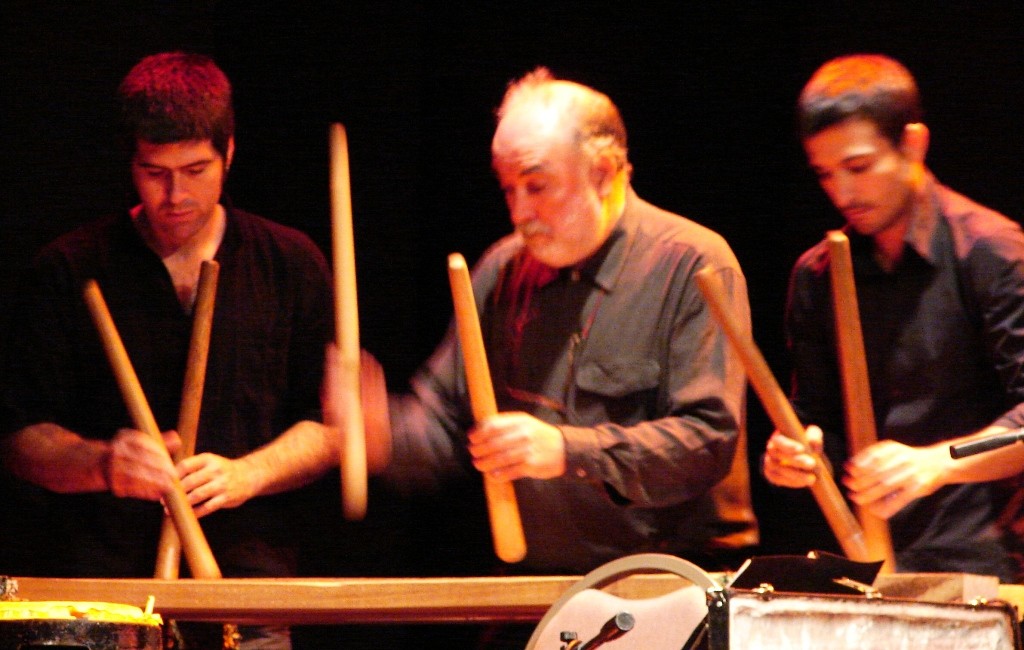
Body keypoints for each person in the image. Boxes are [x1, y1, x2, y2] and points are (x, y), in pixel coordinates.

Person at [356, 67, 758, 581]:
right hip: (541, 589)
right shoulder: (501, 270)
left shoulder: (692, 264)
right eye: (508, 190)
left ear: (604, 171)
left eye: (538, 186)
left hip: (674, 584)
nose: (521, 212)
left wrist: (567, 450)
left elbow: (707, 440)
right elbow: (442, 423)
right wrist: (381, 434)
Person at [0, 52, 336, 649]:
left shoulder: (291, 264)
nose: (175, 195)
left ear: (230, 153)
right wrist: (102, 463)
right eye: (154, 172)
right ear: (130, 162)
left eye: (197, 169)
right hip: (99, 598)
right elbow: (19, 441)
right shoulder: (68, 269)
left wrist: (249, 473)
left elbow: (332, 429)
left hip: (247, 591)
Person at [761, 53, 1024, 580]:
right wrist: (800, 453)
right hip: (871, 566)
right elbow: (822, 423)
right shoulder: (817, 275)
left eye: (858, 167)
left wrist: (937, 462)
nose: (842, 193)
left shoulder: (994, 254)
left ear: (914, 144)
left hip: (993, 569)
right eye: (824, 174)